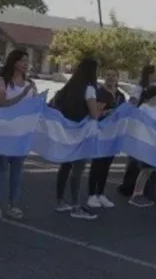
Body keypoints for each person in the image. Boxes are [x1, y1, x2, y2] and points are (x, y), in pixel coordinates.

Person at [0, 49, 35, 219]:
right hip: (6, 132)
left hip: (23, 133)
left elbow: (35, 107)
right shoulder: (3, 81)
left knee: (17, 169)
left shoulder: (30, 84)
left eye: (27, 61)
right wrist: (22, 94)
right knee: (2, 167)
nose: (25, 64)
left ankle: (13, 205)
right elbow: (1, 104)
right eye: (22, 61)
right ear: (14, 62)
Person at [51, 58, 100, 220]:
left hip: (67, 132)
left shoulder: (68, 88)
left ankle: (60, 201)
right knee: (78, 170)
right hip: (81, 133)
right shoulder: (89, 89)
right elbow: (94, 113)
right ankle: (76, 206)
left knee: (65, 166)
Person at [86, 68, 126, 209]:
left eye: (113, 75)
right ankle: (91, 195)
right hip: (100, 133)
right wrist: (107, 112)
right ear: (104, 77)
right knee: (97, 165)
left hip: (114, 134)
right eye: (108, 75)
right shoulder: (99, 93)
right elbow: (95, 114)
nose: (110, 78)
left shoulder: (121, 95)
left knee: (106, 165)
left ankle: (100, 194)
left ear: (117, 77)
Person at [128, 85, 156, 208]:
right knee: (146, 170)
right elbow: (142, 125)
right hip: (147, 142)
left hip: (154, 142)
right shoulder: (143, 108)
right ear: (154, 97)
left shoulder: (153, 108)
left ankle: (143, 192)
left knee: (149, 170)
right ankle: (136, 195)